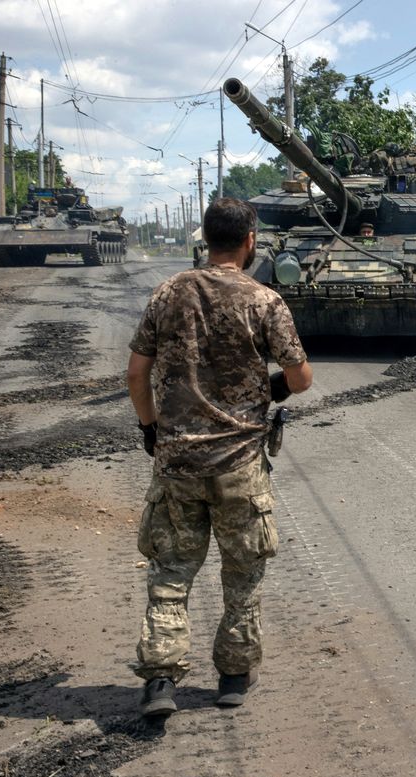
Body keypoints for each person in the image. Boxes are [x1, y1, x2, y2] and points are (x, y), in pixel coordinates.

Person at [126, 197, 313, 718]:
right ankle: (232, 675)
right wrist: (270, 388)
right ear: (250, 240)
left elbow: (136, 374)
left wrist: (150, 428)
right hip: (239, 465)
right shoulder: (265, 300)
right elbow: (300, 378)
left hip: (177, 464)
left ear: (205, 239)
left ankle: (160, 681)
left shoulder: (169, 293)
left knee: (170, 573)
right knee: (243, 574)